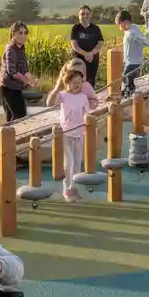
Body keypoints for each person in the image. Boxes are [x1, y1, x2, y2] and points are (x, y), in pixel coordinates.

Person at [46, 60, 99, 203]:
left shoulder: (83, 94)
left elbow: (88, 111)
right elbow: (50, 103)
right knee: (68, 162)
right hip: (67, 132)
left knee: (77, 161)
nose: (77, 85)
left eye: (79, 81)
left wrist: (92, 129)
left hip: (80, 132)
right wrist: (57, 87)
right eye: (74, 81)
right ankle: (67, 189)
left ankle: (74, 187)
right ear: (67, 80)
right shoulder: (63, 94)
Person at [0, 22, 37, 122]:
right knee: (19, 116)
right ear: (13, 34)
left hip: (15, 87)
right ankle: (10, 136)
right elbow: (12, 71)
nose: (23, 36)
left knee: (15, 116)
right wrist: (27, 81)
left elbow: (24, 70)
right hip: (8, 86)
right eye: (20, 33)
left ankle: (9, 137)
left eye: (25, 33)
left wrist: (32, 80)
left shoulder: (21, 48)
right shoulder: (11, 49)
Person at [115, 9, 149, 97]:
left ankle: (128, 92)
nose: (119, 27)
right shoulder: (130, 29)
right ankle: (133, 91)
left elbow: (142, 40)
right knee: (132, 78)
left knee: (125, 76)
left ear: (126, 22)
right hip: (130, 60)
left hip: (134, 61)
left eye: (120, 24)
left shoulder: (132, 32)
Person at [69, 6, 105, 90]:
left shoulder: (96, 28)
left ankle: (89, 101)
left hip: (93, 61)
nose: (85, 16)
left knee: (90, 83)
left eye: (87, 14)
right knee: (77, 82)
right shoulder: (75, 28)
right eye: (82, 14)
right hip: (78, 62)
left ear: (90, 15)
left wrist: (91, 54)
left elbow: (100, 43)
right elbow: (74, 45)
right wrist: (86, 54)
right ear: (79, 15)